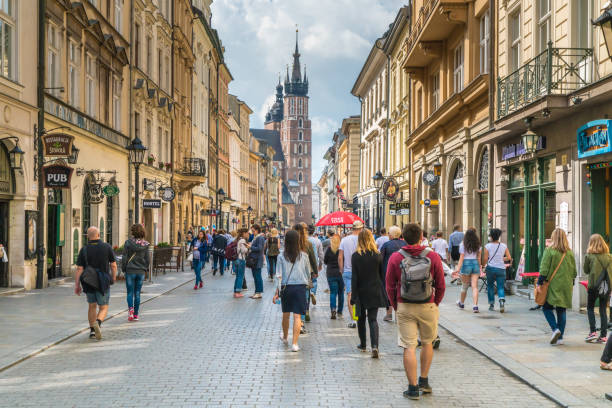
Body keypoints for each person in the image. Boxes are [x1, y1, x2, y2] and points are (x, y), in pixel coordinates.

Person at [386, 223, 445, 400]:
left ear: (403, 237)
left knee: (408, 346)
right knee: (427, 343)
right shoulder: (433, 256)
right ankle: (424, 382)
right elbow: (441, 284)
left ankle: (412, 389)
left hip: (405, 305)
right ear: (421, 237)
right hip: (428, 304)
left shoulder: (396, 258)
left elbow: (389, 285)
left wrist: (396, 306)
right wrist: (435, 303)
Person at [74, 227, 117, 340]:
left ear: (88, 236)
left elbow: (79, 268)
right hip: (103, 281)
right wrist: (113, 277)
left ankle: (92, 331)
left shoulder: (84, 249)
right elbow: (113, 265)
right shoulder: (107, 247)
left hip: (89, 281)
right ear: (99, 234)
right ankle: (98, 322)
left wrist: (77, 285)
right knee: (103, 307)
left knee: (92, 306)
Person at [538, 228, 577, 345]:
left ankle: (555, 329)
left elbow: (544, 268)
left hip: (552, 284)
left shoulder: (549, 251)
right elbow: (574, 271)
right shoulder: (569, 252)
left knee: (546, 307)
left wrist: (540, 282)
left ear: (553, 238)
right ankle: (560, 338)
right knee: (561, 309)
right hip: (566, 284)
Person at [351, 229, 386, 358]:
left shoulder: (356, 256)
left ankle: (363, 344)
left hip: (361, 292)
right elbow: (382, 276)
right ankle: (375, 346)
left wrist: (353, 296)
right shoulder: (377, 255)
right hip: (374, 291)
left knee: (361, 318)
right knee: (373, 319)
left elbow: (355, 278)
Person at [273, 230, 310, 352]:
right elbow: (308, 272)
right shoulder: (304, 255)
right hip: (300, 287)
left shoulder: (281, 256)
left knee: (286, 315)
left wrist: (276, 292)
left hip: (286, 287)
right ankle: (295, 344)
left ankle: (284, 337)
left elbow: (278, 275)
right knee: (297, 316)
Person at [583, 233, 612, 343]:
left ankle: (593, 332)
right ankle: (603, 336)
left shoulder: (589, 256)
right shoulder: (610, 257)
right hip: (606, 286)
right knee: (603, 310)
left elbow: (586, 270)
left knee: (590, 308)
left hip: (593, 286)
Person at [121, 224, 150, 321]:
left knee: (130, 292)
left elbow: (124, 257)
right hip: (140, 271)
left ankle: (130, 312)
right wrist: (144, 268)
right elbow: (147, 259)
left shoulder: (128, 243)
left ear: (133, 232)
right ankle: (136, 315)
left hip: (130, 270)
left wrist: (124, 268)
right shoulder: (145, 244)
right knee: (137, 293)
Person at [339, 220, 363, 328]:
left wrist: (341, 269)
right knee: (361, 294)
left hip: (348, 271)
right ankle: (361, 316)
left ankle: (354, 319)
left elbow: (340, 257)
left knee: (350, 295)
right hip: (361, 271)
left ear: (352, 228)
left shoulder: (344, 240)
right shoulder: (363, 240)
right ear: (361, 229)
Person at [379, 226, 405, 322]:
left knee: (388, 291)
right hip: (403, 271)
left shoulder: (386, 245)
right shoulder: (405, 244)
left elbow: (380, 260)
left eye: (389, 233)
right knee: (401, 289)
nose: (388, 235)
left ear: (392, 235)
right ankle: (401, 312)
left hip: (388, 271)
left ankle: (389, 313)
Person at [483, 228, 512, 312]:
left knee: (490, 286)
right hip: (501, 269)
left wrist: (483, 265)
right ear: (499, 236)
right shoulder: (503, 246)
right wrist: (501, 258)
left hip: (490, 268)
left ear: (491, 236)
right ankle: (501, 301)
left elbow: (485, 258)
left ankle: (491, 305)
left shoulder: (487, 246)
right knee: (500, 287)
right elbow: (509, 258)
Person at [294, 223, 317, 327]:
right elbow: (313, 259)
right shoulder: (307, 244)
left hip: (294, 273)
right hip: (306, 272)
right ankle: (305, 312)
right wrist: (315, 271)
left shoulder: (291, 243)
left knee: (297, 296)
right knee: (305, 293)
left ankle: (300, 320)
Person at [455, 228, 482, 313]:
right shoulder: (478, 244)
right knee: (475, 287)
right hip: (475, 264)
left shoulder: (462, 244)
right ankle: (475, 306)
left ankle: (462, 303)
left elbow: (461, 258)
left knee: (464, 286)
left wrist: (457, 269)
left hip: (466, 264)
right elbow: (479, 257)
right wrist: (480, 267)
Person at [324, 234, 343, 319]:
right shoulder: (341, 249)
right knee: (341, 293)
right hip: (340, 273)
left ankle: (333, 309)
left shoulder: (329, 249)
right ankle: (340, 311)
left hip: (331, 273)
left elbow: (325, 261)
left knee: (333, 292)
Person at [248, 224, 266, 298]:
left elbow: (259, 248)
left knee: (257, 276)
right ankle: (256, 292)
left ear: (257, 230)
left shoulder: (260, 238)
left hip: (257, 259)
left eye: (253, 231)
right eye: (252, 231)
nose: (252, 232)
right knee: (255, 276)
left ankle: (258, 292)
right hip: (254, 259)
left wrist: (250, 247)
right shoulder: (256, 237)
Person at [308, 224, 324, 305]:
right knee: (314, 280)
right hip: (314, 264)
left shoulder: (304, 240)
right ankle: (313, 292)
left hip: (305, 265)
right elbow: (321, 255)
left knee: (306, 281)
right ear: (313, 231)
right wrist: (320, 265)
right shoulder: (317, 241)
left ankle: (307, 295)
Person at [233, 228, 250, 298]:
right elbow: (243, 251)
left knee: (237, 276)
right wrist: (248, 247)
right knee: (240, 276)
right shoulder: (242, 240)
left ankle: (235, 291)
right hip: (241, 260)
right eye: (247, 233)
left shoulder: (238, 239)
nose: (248, 234)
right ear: (244, 233)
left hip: (237, 260)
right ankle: (238, 292)